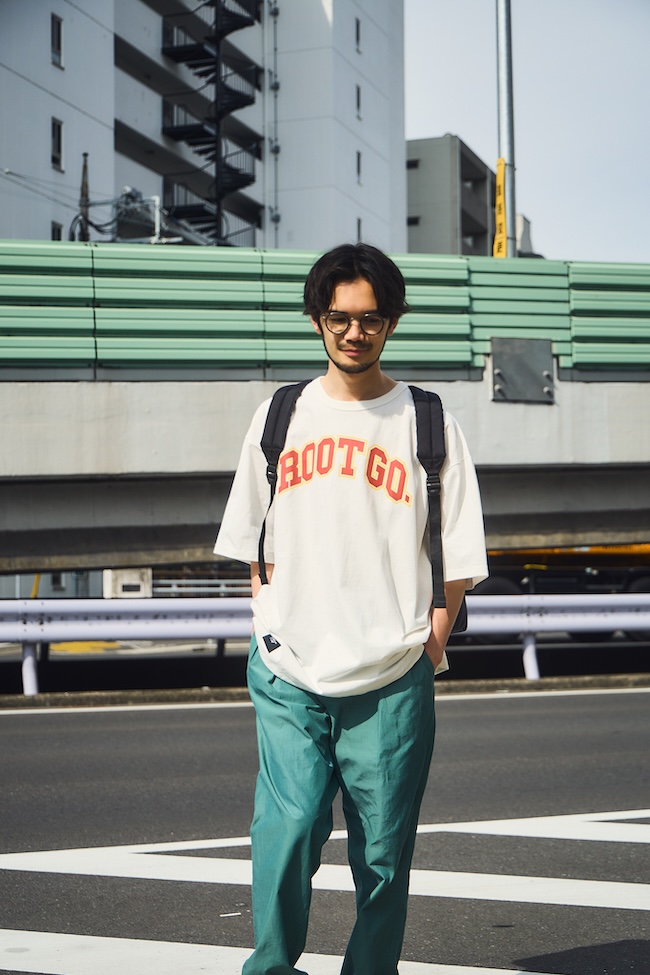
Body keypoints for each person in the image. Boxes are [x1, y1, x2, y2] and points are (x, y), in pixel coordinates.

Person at [214, 243, 488, 975]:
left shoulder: (427, 422)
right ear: (317, 320)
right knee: (288, 827)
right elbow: (254, 539)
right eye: (339, 317)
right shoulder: (279, 415)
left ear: (391, 323)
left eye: (370, 318)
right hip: (290, 667)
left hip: (393, 670)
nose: (354, 332)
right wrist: (269, 620)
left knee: (384, 854)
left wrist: (431, 640)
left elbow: (458, 552)